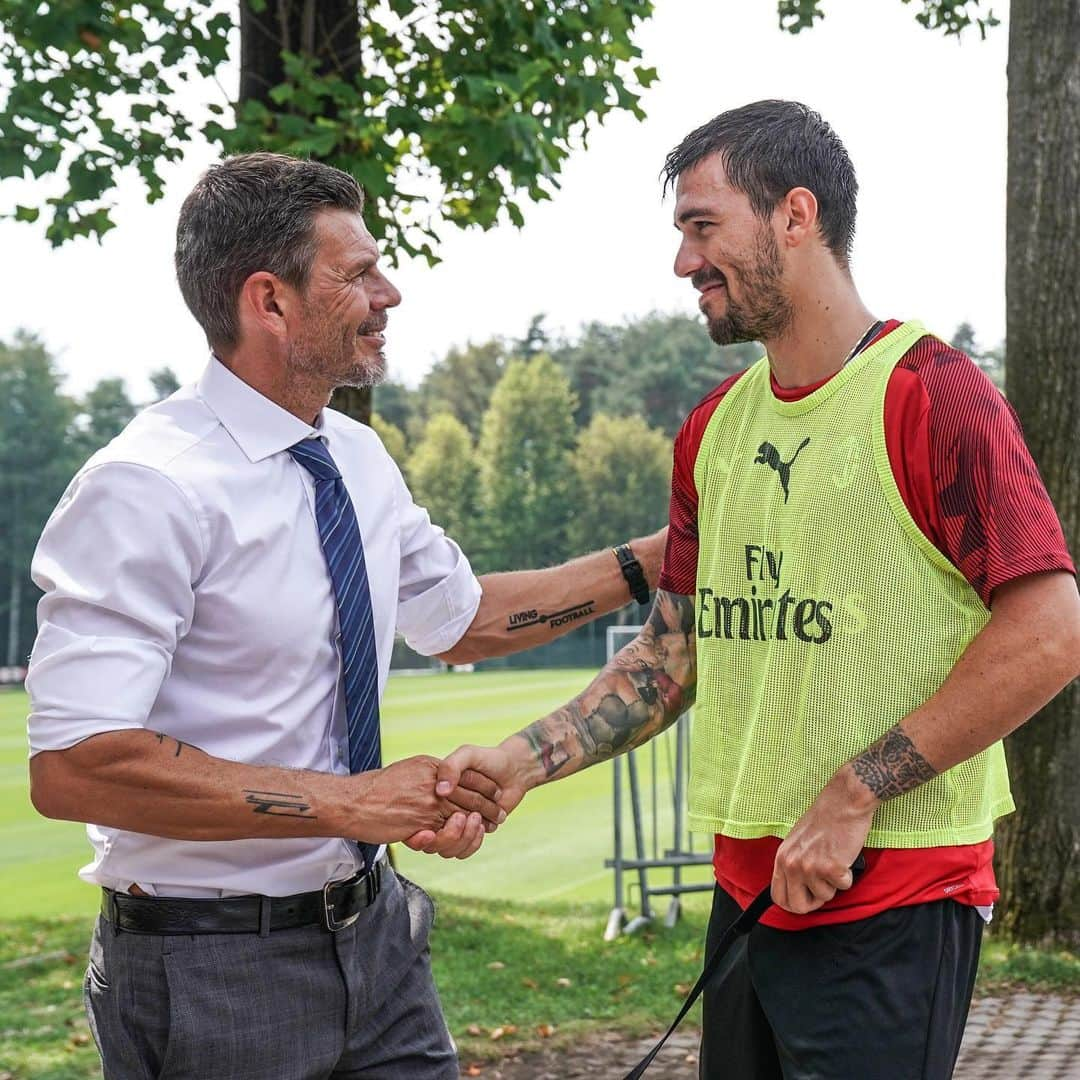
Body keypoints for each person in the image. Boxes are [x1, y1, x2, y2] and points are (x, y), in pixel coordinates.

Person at [429, 100, 1080, 1079]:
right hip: (747, 894)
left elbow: (1049, 634)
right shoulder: (714, 432)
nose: (684, 263)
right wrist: (526, 760)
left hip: (893, 900)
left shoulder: (932, 397)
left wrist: (859, 788)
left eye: (702, 226)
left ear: (795, 215)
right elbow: (669, 658)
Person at [25, 152, 666, 1080]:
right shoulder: (146, 487)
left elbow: (466, 620)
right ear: (269, 302)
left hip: (377, 939)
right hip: (209, 971)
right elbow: (77, 767)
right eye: (357, 272)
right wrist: (355, 804)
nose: (390, 290)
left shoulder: (356, 456)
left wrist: (654, 559)